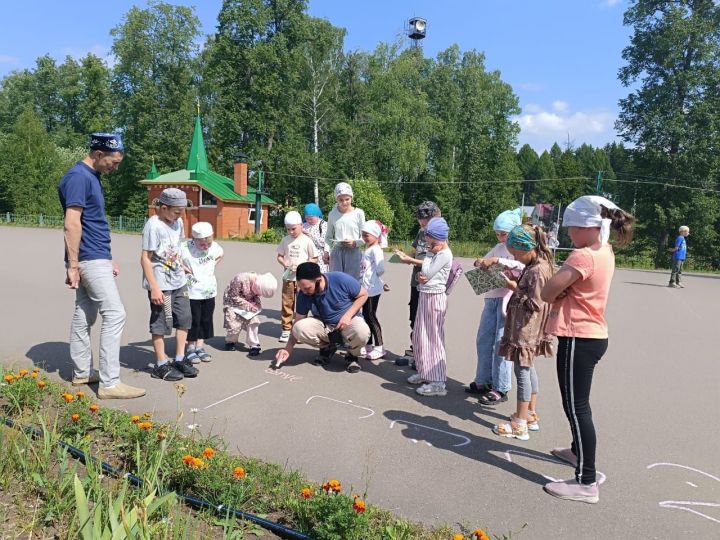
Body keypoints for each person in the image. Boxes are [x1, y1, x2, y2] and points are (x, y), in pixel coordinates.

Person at [541, 195, 634, 504]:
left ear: (588, 227)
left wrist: (559, 288)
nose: (569, 235)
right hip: (592, 336)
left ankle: (586, 481)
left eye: (572, 229)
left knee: (577, 407)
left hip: (578, 337)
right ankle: (577, 451)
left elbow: (547, 291)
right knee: (577, 404)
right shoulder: (604, 251)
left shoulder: (583, 257)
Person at [58, 133, 145, 400]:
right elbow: (72, 223)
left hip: (95, 256)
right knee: (115, 314)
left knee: (85, 313)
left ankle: (83, 372)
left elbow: (93, 222)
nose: (115, 167)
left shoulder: (90, 177)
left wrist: (106, 258)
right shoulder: (78, 177)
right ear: (97, 154)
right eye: (113, 161)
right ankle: (110, 383)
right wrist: (74, 265)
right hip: (87, 258)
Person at [492, 224, 554, 441]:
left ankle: (519, 423)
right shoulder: (539, 265)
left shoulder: (537, 271)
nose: (516, 258)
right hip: (529, 329)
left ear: (529, 247)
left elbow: (536, 303)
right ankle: (530, 415)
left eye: (518, 254)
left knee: (522, 373)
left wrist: (514, 288)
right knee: (529, 369)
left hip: (525, 329)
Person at [141, 188, 199, 382]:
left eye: (182, 211)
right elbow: (145, 259)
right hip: (162, 284)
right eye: (176, 212)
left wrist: (182, 265)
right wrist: (154, 287)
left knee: (184, 318)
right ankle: (160, 363)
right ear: (163, 208)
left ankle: (180, 358)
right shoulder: (153, 226)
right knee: (161, 322)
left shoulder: (178, 222)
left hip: (178, 280)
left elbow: (176, 247)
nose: (180, 215)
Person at [274, 262, 370, 374]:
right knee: (298, 328)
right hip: (324, 324)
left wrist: (348, 316)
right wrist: (287, 349)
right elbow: (298, 321)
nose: (304, 291)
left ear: (318, 280)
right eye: (301, 288)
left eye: (307, 288)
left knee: (362, 332)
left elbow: (364, 294)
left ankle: (352, 354)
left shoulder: (341, 279)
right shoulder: (304, 294)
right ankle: (328, 347)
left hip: (349, 321)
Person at [406, 217, 453, 396]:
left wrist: (429, 255)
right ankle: (425, 372)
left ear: (440, 239)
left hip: (435, 297)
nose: (428, 244)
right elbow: (423, 276)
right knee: (420, 335)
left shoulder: (443, 254)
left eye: (431, 241)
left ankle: (438, 382)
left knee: (433, 338)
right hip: (425, 294)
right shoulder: (436, 252)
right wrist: (423, 274)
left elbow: (426, 272)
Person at [396, 201, 442, 363]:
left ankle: (424, 355)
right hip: (416, 282)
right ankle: (415, 349)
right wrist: (405, 256)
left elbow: (437, 263)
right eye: (420, 220)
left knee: (426, 320)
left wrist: (412, 261)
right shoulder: (421, 232)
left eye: (424, 220)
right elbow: (415, 251)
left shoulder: (439, 235)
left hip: (429, 283)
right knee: (414, 316)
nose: (421, 223)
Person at [180, 222, 224, 363]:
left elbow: (220, 255)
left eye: (208, 244)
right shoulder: (185, 248)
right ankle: (190, 348)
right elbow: (171, 259)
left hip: (209, 290)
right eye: (202, 245)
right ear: (194, 239)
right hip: (192, 291)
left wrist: (213, 266)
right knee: (193, 319)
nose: (206, 247)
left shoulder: (215, 247)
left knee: (206, 319)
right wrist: (182, 267)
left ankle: (200, 346)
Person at [277, 210, 319, 342]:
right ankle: (286, 329)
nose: (291, 232)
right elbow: (279, 256)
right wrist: (284, 262)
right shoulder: (285, 240)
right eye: (288, 229)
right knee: (287, 303)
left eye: (293, 229)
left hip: (303, 280)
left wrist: (305, 266)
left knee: (303, 304)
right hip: (289, 277)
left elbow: (315, 258)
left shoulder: (307, 241)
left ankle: (300, 329)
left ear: (301, 225)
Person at [223, 272, 278, 356]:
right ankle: (230, 341)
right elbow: (234, 296)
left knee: (253, 322)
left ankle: (254, 345)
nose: (259, 294)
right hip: (232, 302)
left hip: (249, 302)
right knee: (233, 324)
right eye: (259, 292)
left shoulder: (258, 284)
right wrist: (249, 306)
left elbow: (256, 296)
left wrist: (257, 304)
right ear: (257, 285)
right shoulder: (240, 279)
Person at [324, 182, 365, 280]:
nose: (344, 202)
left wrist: (355, 243)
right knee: (336, 281)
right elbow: (328, 236)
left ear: (351, 198)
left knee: (352, 281)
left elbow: (365, 236)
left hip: (354, 252)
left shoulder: (359, 213)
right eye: (341, 200)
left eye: (347, 199)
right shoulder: (332, 214)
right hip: (337, 252)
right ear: (336, 199)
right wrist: (326, 251)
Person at [359, 220, 387, 360]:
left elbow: (381, 268)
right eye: (363, 235)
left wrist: (376, 279)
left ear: (376, 235)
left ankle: (380, 347)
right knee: (365, 316)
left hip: (372, 289)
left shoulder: (376, 249)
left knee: (371, 316)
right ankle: (368, 344)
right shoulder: (368, 249)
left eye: (367, 235)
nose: (364, 237)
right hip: (365, 288)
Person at [302, 203, 329, 273]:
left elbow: (325, 243)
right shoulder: (304, 225)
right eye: (307, 218)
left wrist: (310, 236)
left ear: (317, 215)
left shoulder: (324, 225)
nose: (309, 221)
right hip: (306, 256)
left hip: (320, 258)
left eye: (311, 218)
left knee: (319, 277)